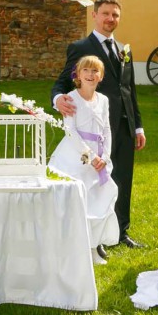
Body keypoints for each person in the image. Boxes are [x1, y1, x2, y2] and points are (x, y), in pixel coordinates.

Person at [52, 0, 146, 249]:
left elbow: (129, 90)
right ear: (94, 16)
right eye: (105, 14)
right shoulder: (80, 47)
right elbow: (62, 82)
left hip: (123, 125)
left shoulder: (124, 50)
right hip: (93, 127)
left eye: (115, 15)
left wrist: (138, 125)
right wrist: (57, 99)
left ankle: (121, 231)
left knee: (121, 178)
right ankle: (96, 235)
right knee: (95, 180)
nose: (110, 19)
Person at [48, 55, 120, 265]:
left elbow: (106, 129)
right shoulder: (71, 98)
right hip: (77, 157)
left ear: (101, 76)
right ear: (77, 75)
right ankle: (75, 249)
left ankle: (93, 248)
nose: (90, 75)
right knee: (81, 203)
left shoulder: (103, 100)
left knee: (98, 202)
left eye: (95, 71)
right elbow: (70, 131)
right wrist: (91, 157)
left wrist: (105, 157)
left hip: (99, 158)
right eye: (86, 71)